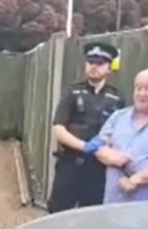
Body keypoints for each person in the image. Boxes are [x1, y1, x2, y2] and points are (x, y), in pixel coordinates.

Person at [47, 42, 126, 214]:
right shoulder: (72, 92)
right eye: (91, 62)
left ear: (109, 68)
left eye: (100, 63)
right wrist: (84, 146)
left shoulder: (117, 98)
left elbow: (120, 134)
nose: (94, 67)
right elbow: (58, 128)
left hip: (98, 171)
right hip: (70, 165)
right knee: (58, 214)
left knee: (91, 217)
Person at [93, 69, 148, 204]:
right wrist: (111, 156)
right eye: (138, 88)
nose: (142, 93)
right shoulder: (118, 117)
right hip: (113, 204)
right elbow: (98, 145)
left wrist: (137, 179)